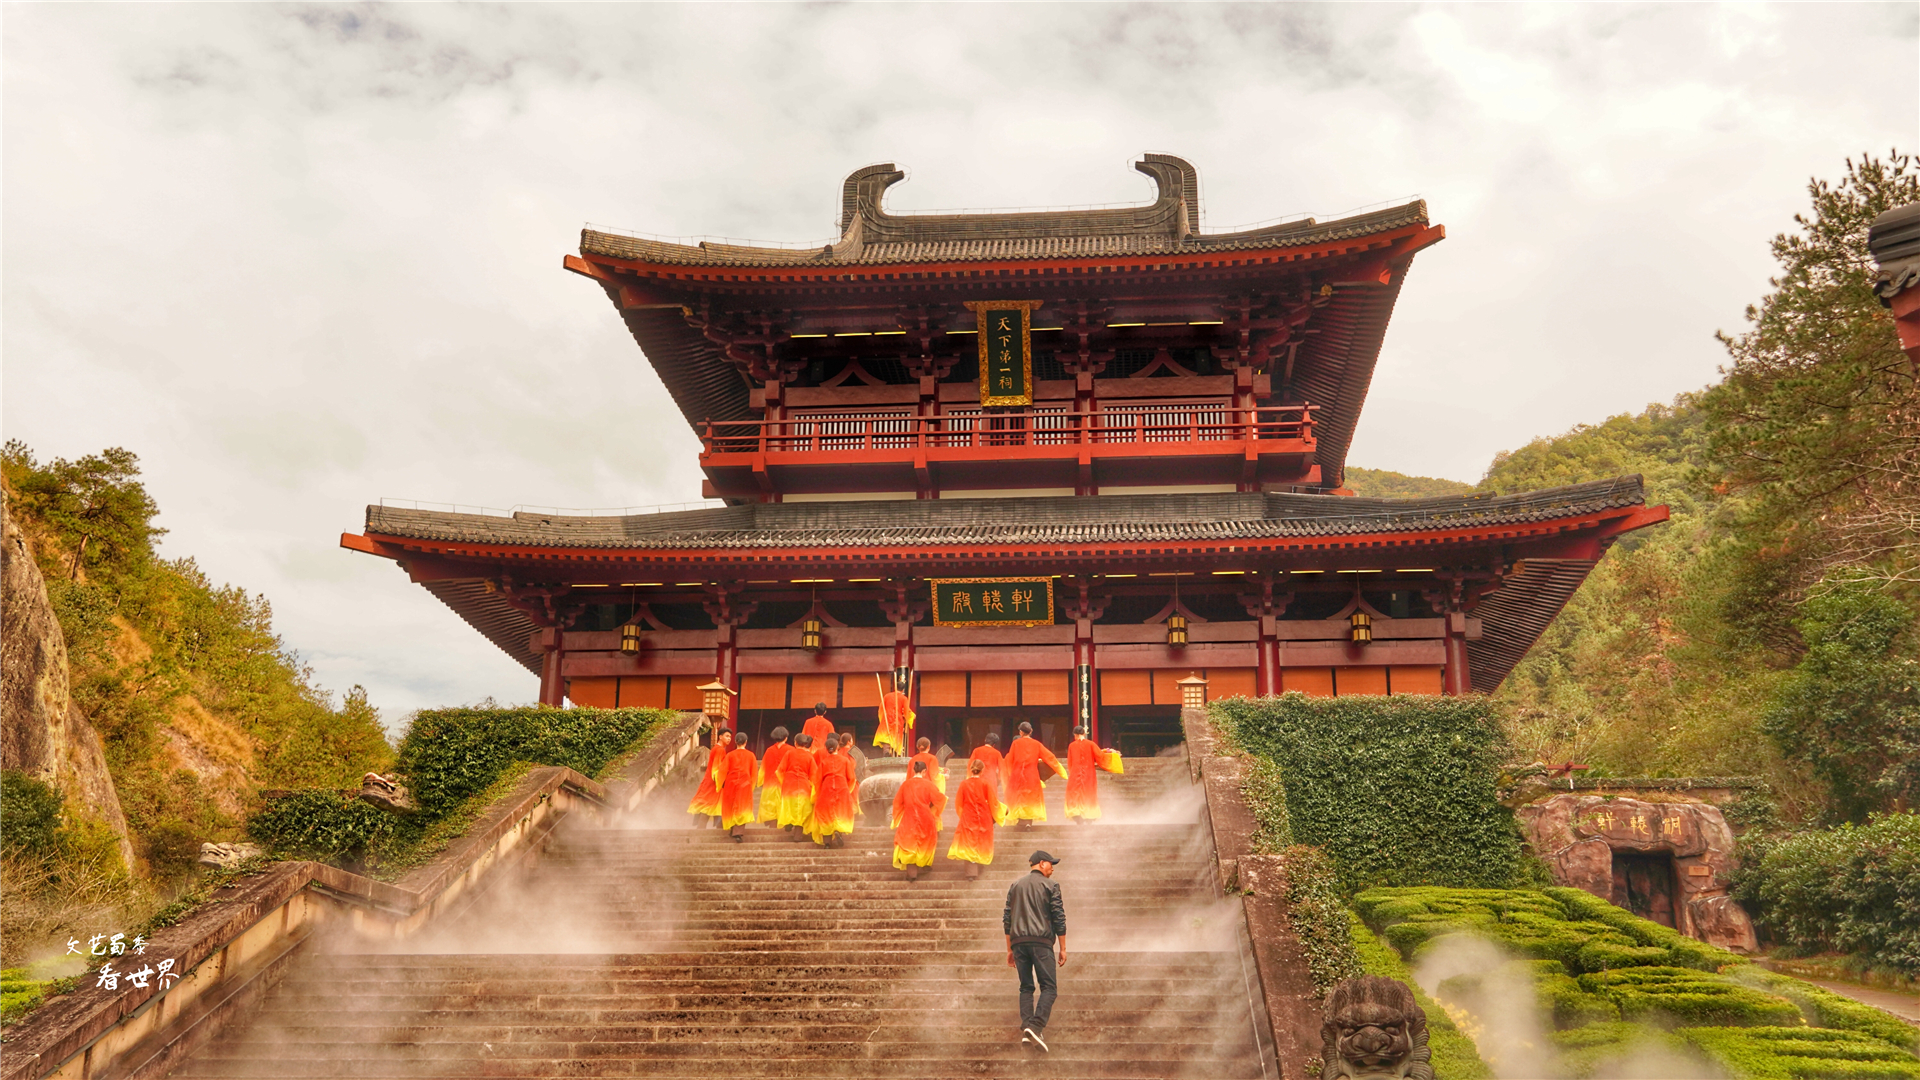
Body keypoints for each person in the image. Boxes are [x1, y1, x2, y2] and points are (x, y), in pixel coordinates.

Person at [1004, 850, 1067, 1052]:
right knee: (1049, 987)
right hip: (1041, 942)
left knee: (1026, 987)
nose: (1053, 868)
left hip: (1018, 943)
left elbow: (1007, 920)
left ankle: (1028, 1028)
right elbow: (1058, 916)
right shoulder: (1051, 885)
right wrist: (1063, 948)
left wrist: (1009, 949)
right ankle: (1035, 1026)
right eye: (1051, 864)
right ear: (1041, 863)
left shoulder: (1015, 885)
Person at [890, 758, 946, 881]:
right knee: (926, 841)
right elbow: (940, 799)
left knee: (908, 842)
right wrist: (932, 809)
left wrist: (898, 816)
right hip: (925, 817)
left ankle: (912, 873)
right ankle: (925, 865)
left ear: (913, 770)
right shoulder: (929, 785)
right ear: (924, 771)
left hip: (909, 817)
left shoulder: (906, 784)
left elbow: (897, 802)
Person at [947, 757, 1004, 879]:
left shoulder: (964, 784)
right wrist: (1002, 811)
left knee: (969, 842)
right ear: (982, 771)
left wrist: (962, 815)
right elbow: (993, 802)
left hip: (968, 816)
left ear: (971, 770)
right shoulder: (985, 783)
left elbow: (958, 803)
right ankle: (979, 865)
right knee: (981, 840)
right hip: (984, 816)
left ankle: (971, 872)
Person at [1003, 722, 1064, 829]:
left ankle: (1021, 820)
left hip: (1017, 775)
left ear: (1021, 732)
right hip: (1032, 775)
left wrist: (1010, 772)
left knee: (1019, 797)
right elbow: (1049, 757)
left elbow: (1009, 759)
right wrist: (1060, 770)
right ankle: (1028, 822)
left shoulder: (1016, 743)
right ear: (1030, 732)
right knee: (1030, 798)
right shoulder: (1037, 744)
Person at [1063, 726, 1123, 824]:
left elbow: (1070, 762)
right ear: (1084, 734)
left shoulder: (1071, 745)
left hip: (1075, 774)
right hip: (1088, 773)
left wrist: (1072, 771)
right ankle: (1090, 816)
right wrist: (1113, 755)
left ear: (1075, 735)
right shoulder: (1091, 744)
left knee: (1075, 794)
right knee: (1089, 793)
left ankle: (1077, 815)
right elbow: (1100, 756)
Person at [808, 734, 858, 847]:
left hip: (826, 788)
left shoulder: (823, 762)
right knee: (841, 811)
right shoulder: (845, 761)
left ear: (827, 749)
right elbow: (852, 778)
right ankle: (839, 830)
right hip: (842, 787)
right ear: (837, 748)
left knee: (826, 814)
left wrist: (819, 793)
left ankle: (827, 843)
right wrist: (847, 790)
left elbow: (817, 780)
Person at [775, 732, 820, 839]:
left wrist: (784, 782)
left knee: (789, 807)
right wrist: (813, 787)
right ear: (805, 744)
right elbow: (814, 775)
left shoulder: (789, 754)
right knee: (801, 810)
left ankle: (789, 822)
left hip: (789, 785)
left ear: (795, 743)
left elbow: (779, 771)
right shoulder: (809, 756)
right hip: (804, 786)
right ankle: (797, 836)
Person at [685, 726, 731, 827]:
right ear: (720, 737)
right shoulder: (720, 750)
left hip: (710, 781)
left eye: (730, 737)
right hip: (714, 783)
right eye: (727, 736)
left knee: (709, 805)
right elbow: (716, 769)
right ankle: (704, 830)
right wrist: (722, 783)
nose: (729, 739)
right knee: (708, 806)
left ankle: (704, 829)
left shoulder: (716, 748)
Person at [718, 733, 759, 842]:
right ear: (746, 742)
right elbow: (754, 773)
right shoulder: (751, 755)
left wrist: (720, 784)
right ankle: (738, 832)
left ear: (735, 742)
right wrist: (752, 785)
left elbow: (722, 771)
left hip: (731, 783)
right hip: (745, 784)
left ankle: (732, 828)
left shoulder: (730, 755)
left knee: (731, 805)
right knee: (742, 806)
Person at [758, 727, 792, 827]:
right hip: (785, 782)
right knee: (783, 803)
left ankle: (773, 823)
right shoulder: (790, 750)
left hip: (770, 782)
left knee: (770, 804)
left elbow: (762, 768)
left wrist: (760, 781)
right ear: (786, 738)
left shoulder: (769, 750)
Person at [875, 679, 915, 757]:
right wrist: (912, 716)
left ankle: (886, 751)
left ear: (895, 688)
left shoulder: (887, 696)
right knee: (896, 739)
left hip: (886, 720)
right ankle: (893, 753)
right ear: (903, 689)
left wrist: (882, 719)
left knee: (887, 738)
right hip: (897, 721)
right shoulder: (903, 698)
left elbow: (881, 709)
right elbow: (906, 712)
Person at [969, 731, 1004, 801]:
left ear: (985, 740)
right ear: (994, 744)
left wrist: (970, 778)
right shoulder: (997, 753)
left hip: (977, 779)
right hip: (991, 781)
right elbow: (1002, 770)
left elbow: (970, 765)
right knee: (991, 802)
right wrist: (1000, 780)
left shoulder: (976, 751)